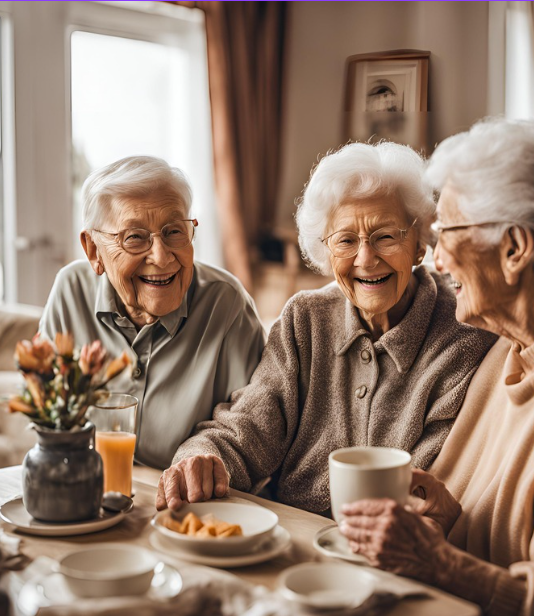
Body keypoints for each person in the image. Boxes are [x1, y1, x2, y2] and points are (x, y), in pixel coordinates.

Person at [339, 119, 534, 616]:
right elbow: (505, 535)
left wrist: (440, 564)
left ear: (515, 248)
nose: (436, 258)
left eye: (447, 233)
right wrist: (450, 514)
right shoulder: (511, 346)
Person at [157, 142, 496, 513]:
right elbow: (250, 425)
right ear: (327, 252)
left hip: (393, 547)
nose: (365, 259)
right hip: (290, 534)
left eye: (385, 235)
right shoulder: (306, 319)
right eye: (346, 240)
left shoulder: (461, 330)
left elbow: (429, 484)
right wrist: (203, 457)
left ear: (419, 244)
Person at [39, 156, 265, 469]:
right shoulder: (71, 290)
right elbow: (45, 412)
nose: (161, 257)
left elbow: (252, 432)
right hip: (84, 494)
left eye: (174, 231)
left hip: (187, 505)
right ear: (93, 249)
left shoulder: (225, 304)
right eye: (134, 237)